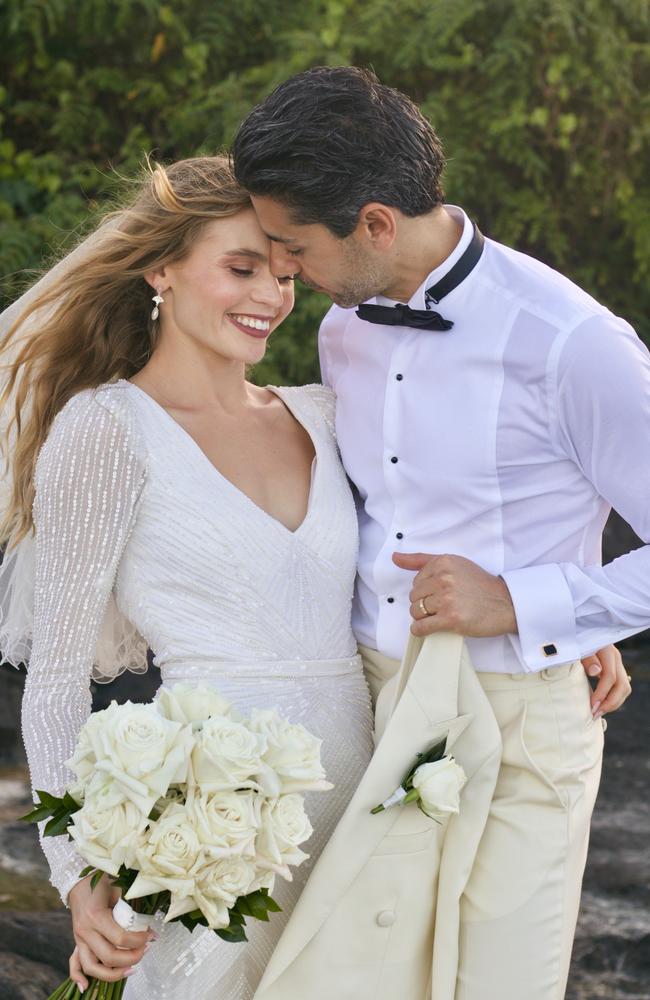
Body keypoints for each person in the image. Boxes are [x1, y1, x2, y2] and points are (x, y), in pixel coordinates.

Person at [231, 66, 642, 999]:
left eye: (294, 246)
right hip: (370, 705)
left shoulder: (572, 342)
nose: (287, 271)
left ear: (374, 222)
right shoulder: (344, 329)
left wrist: (535, 603)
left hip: (523, 717)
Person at [0, 155, 375, 998]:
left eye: (283, 274)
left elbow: (436, 544)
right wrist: (76, 871)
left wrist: (565, 631)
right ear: (160, 268)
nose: (271, 298)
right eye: (240, 268)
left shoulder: (324, 412)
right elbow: (55, 680)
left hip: (363, 814)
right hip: (207, 836)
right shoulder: (106, 430)